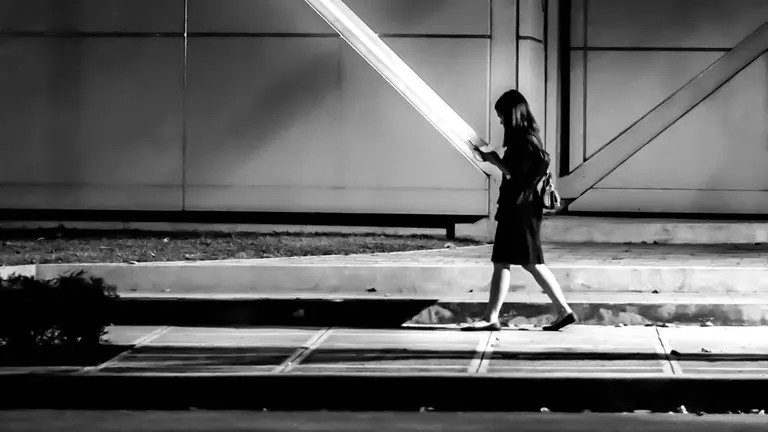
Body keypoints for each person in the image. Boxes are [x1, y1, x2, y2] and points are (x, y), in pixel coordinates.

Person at [464, 89, 576, 332]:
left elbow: (516, 176)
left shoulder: (522, 141)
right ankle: (560, 311)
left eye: (502, 116)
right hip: (523, 208)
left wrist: (494, 159)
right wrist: (495, 159)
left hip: (518, 209)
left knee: (520, 261)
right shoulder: (531, 138)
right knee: (518, 261)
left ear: (511, 114)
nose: (501, 121)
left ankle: (560, 310)